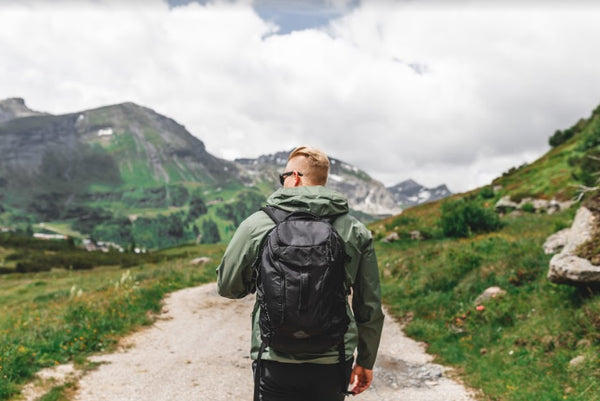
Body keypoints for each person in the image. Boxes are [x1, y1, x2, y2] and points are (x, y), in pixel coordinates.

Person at [217, 146, 384, 401]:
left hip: (273, 356)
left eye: (283, 177)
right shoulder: (355, 229)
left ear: (294, 178)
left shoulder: (258, 224)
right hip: (334, 357)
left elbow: (228, 287)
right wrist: (367, 360)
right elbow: (369, 304)